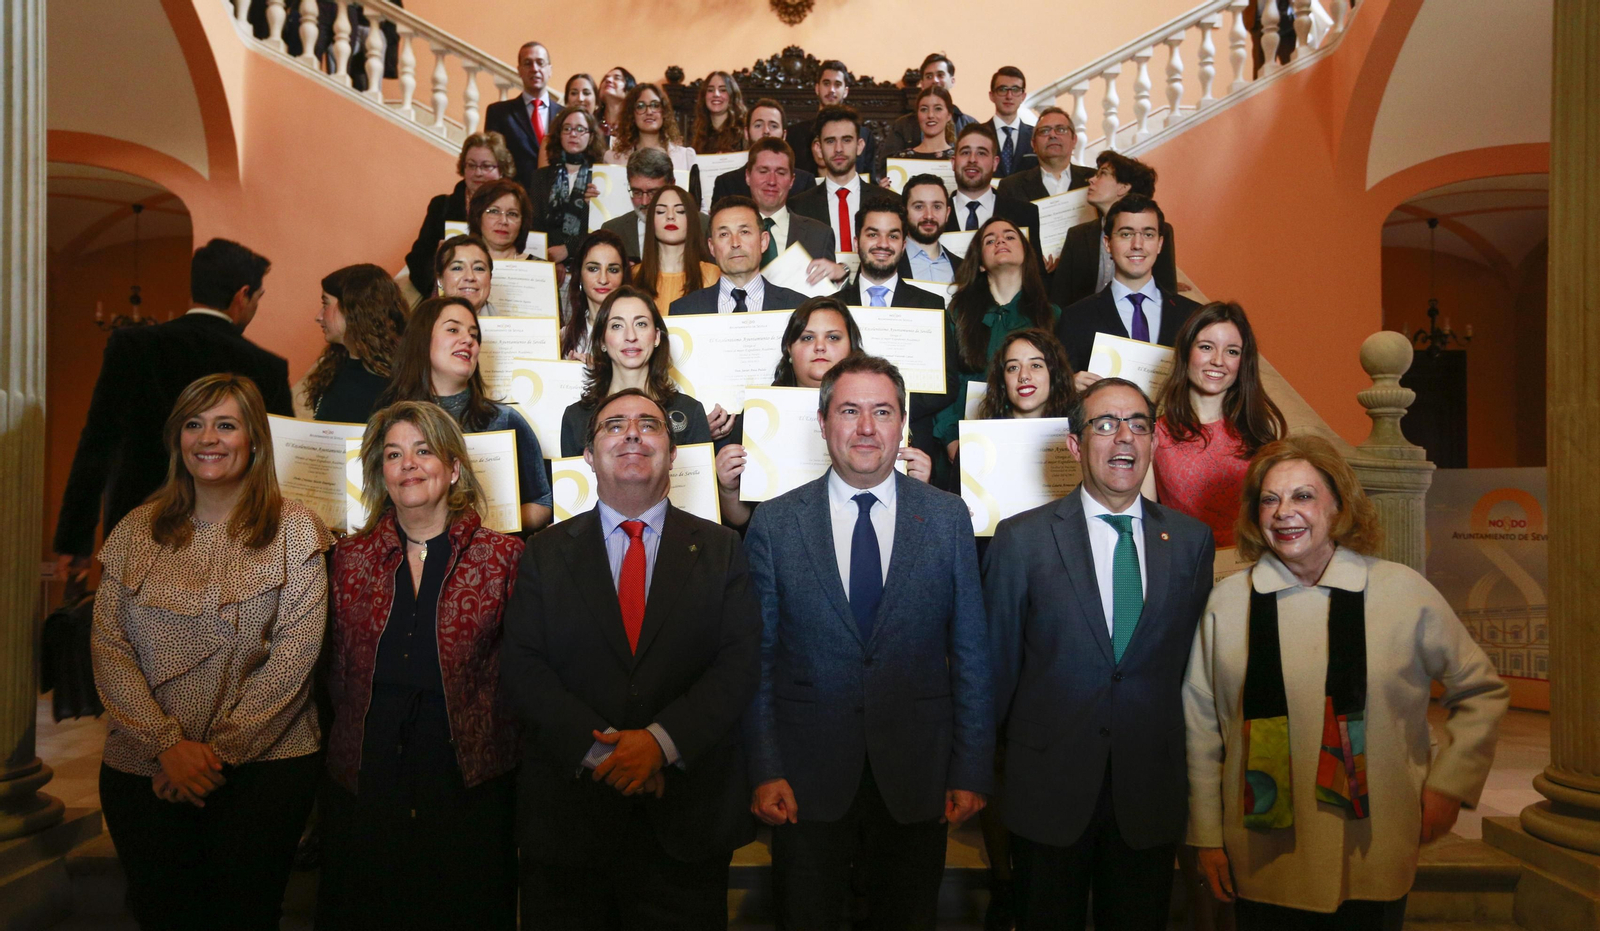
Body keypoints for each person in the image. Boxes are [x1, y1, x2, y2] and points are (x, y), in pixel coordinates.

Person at [1186, 435, 1509, 930]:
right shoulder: (1227, 604)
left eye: (1303, 495)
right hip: (1261, 855)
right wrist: (1207, 835)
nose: (1284, 513)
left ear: (1339, 506)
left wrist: (1450, 783)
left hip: (1374, 849)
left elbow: (1481, 690)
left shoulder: (1402, 592)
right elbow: (1201, 728)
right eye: (1270, 499)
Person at [745, 354, 992, 929]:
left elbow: (972, 655)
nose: (865, 428)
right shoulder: (776, 524)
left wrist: (972, 768)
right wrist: (764, 767)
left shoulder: (948, 519)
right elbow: (756, 662)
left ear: (902, 424)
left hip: (918, 775)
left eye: (882, 412)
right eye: (849, 411)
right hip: (805, 781)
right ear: (823, 421)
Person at [502, 387, 762, 928]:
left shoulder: (722, 550)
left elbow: (737, 666)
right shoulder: (543, 553)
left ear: (673, 452)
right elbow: (524, 669)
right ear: (588, 455)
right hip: (570, 825)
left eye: (649, 424)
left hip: (687, 826)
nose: (632, 434)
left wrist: (659, 745)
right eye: (613, 425)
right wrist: (608, 757)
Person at [91, 374, 332, 931]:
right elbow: (109, 646)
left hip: (264, 770)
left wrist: (210, 758)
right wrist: (166, 747)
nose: (208, 438)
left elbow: (293, 661)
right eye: (193, 425)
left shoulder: (296, 530)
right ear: (177, 439)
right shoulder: (136, 529)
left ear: (254, 439)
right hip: (143, 768)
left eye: (226, 425)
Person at [984, 376, 1215, 931]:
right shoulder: (1021, 540)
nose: (1124, 438)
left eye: (1138, 425)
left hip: (1149, 793)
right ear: (1074, 444)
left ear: (1153, 442)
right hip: (1047, 791)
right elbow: (994, 673)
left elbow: (1196, 673)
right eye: (1105, 424)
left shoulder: (1191, 542)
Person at [317, 401, 524, 930]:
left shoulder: (502, 558)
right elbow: (332, 673)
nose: (407, 464)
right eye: (393, 455)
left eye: (423, 450)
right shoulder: (349, 558)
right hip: (367, 781)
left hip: (467, 785)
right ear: (381, 474)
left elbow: (521, 677)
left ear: (453, 469)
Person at [55, 239, 293, 581]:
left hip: (137, 524)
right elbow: (278, 463)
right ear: (243, 295)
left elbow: (97, 444)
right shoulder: (267, 367)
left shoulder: (132, 347)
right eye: (257, 298)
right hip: (234, 535)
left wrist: (74, 541)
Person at [713, 298, 934, 530]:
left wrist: (919, 486)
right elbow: (746, 523)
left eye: (833, 337)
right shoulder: (758, 416)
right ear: (789, 349)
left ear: (852, 347)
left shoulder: (888, 413)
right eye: (807, 338)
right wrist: (728, 490)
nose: (820, 347)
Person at [376, 296, 553, 530]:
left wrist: (485, 527)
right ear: (422, 339)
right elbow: (374, 503)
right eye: (453, 330)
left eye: (474, 335)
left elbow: (542, 502)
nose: (468, 340)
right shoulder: (388, 422)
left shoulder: (504, 420)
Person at [1153, 302, 1287, 547]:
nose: (1218, 361)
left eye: (1232, 352)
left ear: (1243, 362)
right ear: (1186, 351)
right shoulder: (1155, 433)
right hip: (1185, 561)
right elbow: (1145, 523)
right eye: (1206, 347)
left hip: (1252, 558)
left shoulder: (1261, 427)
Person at [931, 216, 1060, 463]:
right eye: (990, 240)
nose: (1000, 241)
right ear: (980, 263)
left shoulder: (1051, 315)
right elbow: (943, 382)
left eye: (1010, 237)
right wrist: (951, 438)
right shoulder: (957, 315)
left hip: (1034, 443)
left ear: (1026, 254)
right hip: (965, 442)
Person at [560, 287, 720, 456]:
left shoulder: (690, 411)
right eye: (617, 326)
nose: (631, 336)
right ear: (602, 341)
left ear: (656, 336)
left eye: (641, 324)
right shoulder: (576, 417)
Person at [1057, 194, 1201, 376]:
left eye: (1148, 235)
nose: (1137, 244)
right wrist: (1070, 385)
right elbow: (1058, 385)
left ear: (1159, 244)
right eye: (1126, 234)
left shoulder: (1193, 315)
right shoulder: (1075, 318)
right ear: (1107, 244)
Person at [1050, 151, 1179, 309]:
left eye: (1102, 174)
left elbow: (1167, 292)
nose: (1091, 180)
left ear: (1123, 187)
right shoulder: (1077, 235)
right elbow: (1059, 299)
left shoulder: (1160, 230)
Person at [405, 132, 513, 295]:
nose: (478, 173)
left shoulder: (516, 210)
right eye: (471, 165)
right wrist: (441, 276)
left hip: (503, 294)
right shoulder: (441, 206)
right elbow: (417, 260)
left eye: (486, 166)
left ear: (502, 170)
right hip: (450, 296)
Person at [300, 263, 407, 423]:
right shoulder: (334, 367)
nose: (319, 316)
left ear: (352, 310)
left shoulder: (397, 381)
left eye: (325, 304)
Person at [669, 196, 808, 316]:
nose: (735, 243)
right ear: (711, 247)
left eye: (744, 232)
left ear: (763, 241)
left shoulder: (798, 307)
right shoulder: (684, 310)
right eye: (724, 234)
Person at [789, 105, 900, 256]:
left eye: (846, 140)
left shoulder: (891, 202)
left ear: (859, 146)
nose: (838, 149)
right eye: (830, 141)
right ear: (818, 148)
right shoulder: (798, 207)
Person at [742, 138, 842, 284]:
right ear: (748, 176)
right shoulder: (725, 233)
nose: (771, 181)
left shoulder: (819, 235)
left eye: (781, 173)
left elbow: (832, 294)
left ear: (792, 180)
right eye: (763, 171)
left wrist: (842, 273)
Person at [943, 123, 1045, 266]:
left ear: (995, 163)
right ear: (953, 162)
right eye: (965, 152)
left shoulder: (1025, 214)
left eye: (981, 153)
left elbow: (1035, 273)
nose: (972, 159)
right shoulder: (934, 216)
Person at [524, 108, 606, 263]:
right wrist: (551, 258)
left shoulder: (600, 178)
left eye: (580, 129)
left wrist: (568, 249)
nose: (573, 134)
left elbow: (602, 229)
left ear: (591, 136)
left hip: (586, 259)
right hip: (545, 260)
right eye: (567, 128)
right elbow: (534, 224)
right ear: (559, 135)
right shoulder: (540, 177)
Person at [876, 54, 977, 177]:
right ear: (922, 83)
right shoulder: (903, 125)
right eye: (929, 76)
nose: (935, 80)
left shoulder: (969, 125)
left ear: (952, 81)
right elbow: (887, 168)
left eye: (940, 75)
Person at [601, 147, 708, 262]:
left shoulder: (704, 226)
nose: (644, 202)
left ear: (672, 185)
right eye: (637, 192)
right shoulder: (613, 230)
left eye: (653, 192)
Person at [710, 98, 818, 203]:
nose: (766, 131)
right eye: (758, 125)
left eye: (773, 126)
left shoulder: (804, 182)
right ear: (746, 133)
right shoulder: (726, 183)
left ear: (784, 135)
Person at [483, 41, 562, 181]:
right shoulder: (499, 113)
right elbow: (492, 160)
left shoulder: (565, 115)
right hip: (514, 191)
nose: (534, 69)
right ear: (519, 70)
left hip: (556, 191)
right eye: (527, 63)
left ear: (550, 70)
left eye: (540, 63)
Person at [789, 60, 877, 177]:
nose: (831, 90)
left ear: (845, 91)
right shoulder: (794, 134)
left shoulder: (864, 135)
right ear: (817, 88)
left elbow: (870, 178)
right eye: (826, 83)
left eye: (837, 84)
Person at [636, 186, 720, 308]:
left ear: (691, 219)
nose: (670, 216)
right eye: (661, 211)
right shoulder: (633, 276)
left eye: (680, 211)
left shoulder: (713, 274)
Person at [559, 229, 631, 362]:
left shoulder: (636, 334)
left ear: (623, 276)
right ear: (580, 275)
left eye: (613, 270)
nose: (603, 279)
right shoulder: (563, 337)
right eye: (593, 269)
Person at [996, 106, 1092, 203]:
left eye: (1061, 129)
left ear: (1074, 140)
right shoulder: (1011, 187)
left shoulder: (1093, 179)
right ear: (1033, 144)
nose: (1052, 135)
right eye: (1044, 131)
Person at [604, 83, 698, 181]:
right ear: (632, 114)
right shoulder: (612, 159)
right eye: (640, 106)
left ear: (664, 112)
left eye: (655, 105)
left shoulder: (686, 157)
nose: (649, 112)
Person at [977, 327, 1075, 420]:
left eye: (1035, 365)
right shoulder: (982, 431)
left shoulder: (1076, 428)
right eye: (1013, 368)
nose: (1023, 375)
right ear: (1002, 380)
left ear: (1054, 374)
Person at [901, 174, 956, 284]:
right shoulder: (888, 263)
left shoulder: (964, 268)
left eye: (937, 207)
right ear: (904, 211)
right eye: (919, 207)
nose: (929, 216)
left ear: (947, 213)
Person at [468, 179, 540, 263]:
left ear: (522, 222)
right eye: (494, 211)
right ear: (478, 217)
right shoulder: (460, 264)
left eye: (512, 214)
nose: (503, 221)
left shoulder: (540, 267)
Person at [888, 86, 957, 162]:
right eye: (924, 109)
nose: (930, 115)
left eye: (938, 109)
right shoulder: (901, 159)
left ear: (949, 115)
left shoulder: (958, 159)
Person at [988, 66, 1034, 178]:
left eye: (1015, 90)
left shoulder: (1036, 136)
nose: (1009, 96)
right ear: (992, 96)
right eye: (1003, 89)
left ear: (1023, 96)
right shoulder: (977, 135)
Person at [433, 234, 495, 314]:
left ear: (490, 278)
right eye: (457, 268)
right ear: (440, 279)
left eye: (479, 268)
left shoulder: (507, 321)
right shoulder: (426, 321)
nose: (470, 277)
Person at [691, 70, 748, 155]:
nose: (716, 94)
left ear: (732, 96)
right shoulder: (699, 134)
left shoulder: (744, 132)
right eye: (710, 90)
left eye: (723, 90)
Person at [596, 66, 636, 146]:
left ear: (629, 90)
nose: (608, 80)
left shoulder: (636, 123)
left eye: (617, 78)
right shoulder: (592, 121)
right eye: (605, 78)